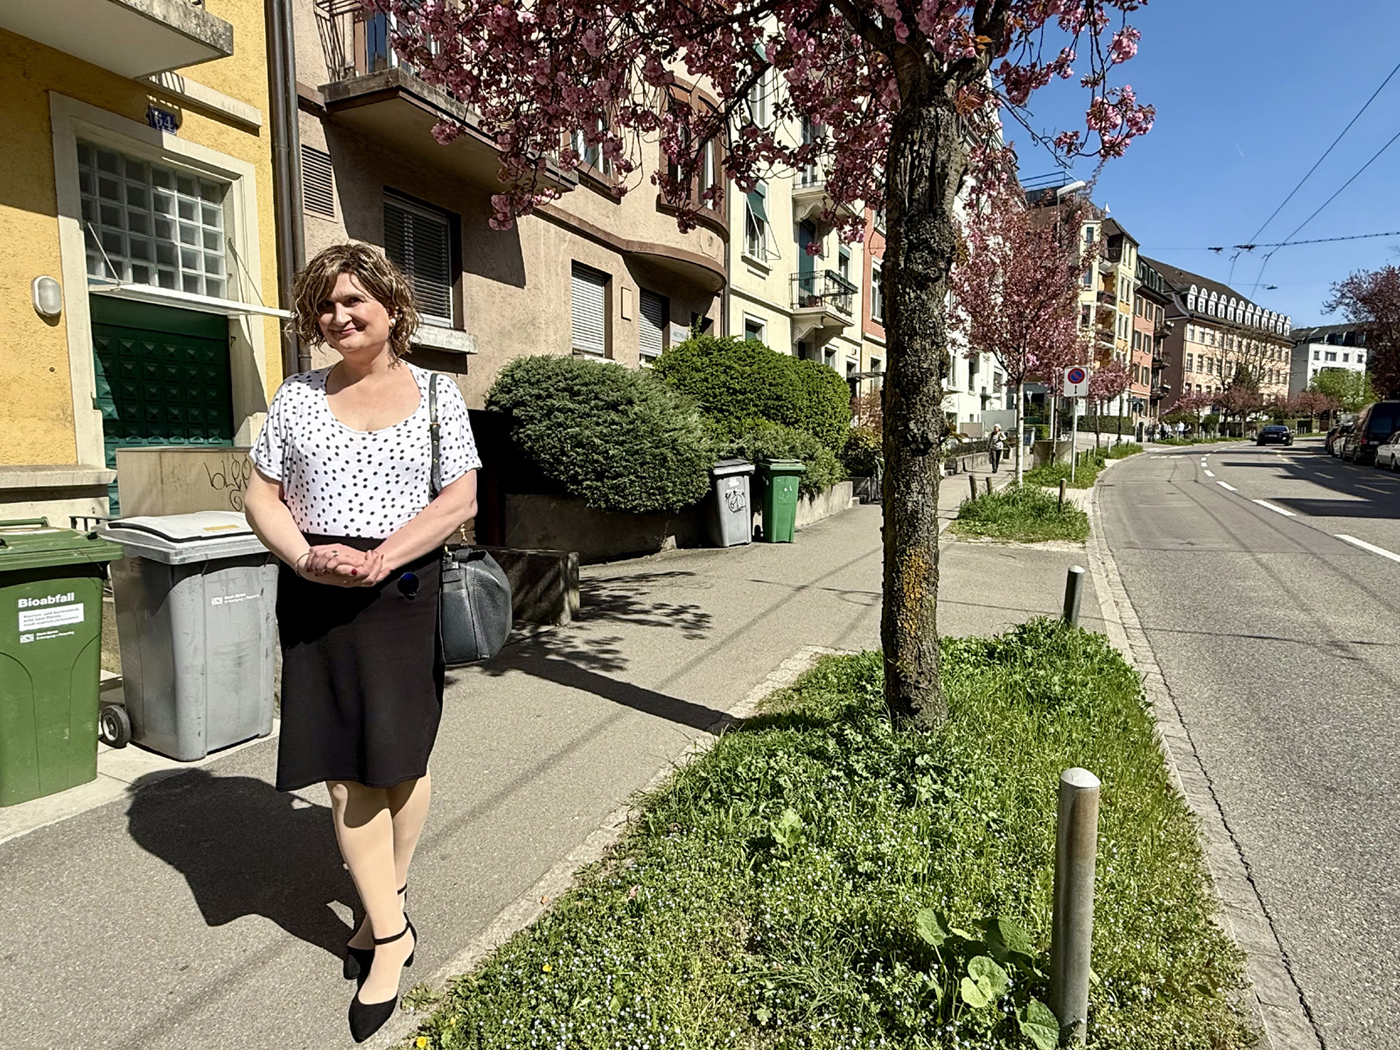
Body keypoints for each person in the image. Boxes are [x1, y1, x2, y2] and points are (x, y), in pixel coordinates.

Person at [243, 244, 480, 1042]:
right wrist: (305, 556)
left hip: (403, 592)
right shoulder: (297, 397)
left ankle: (383, 903)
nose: (338, 316)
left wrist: (387, 556)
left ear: (391, 307)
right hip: (318, 593)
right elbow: (261, 497)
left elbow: (459, 499)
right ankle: (392, 935)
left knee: (401, 763)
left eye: (353, 300)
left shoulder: (438, 393)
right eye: (325, 305)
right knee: (347, 778)